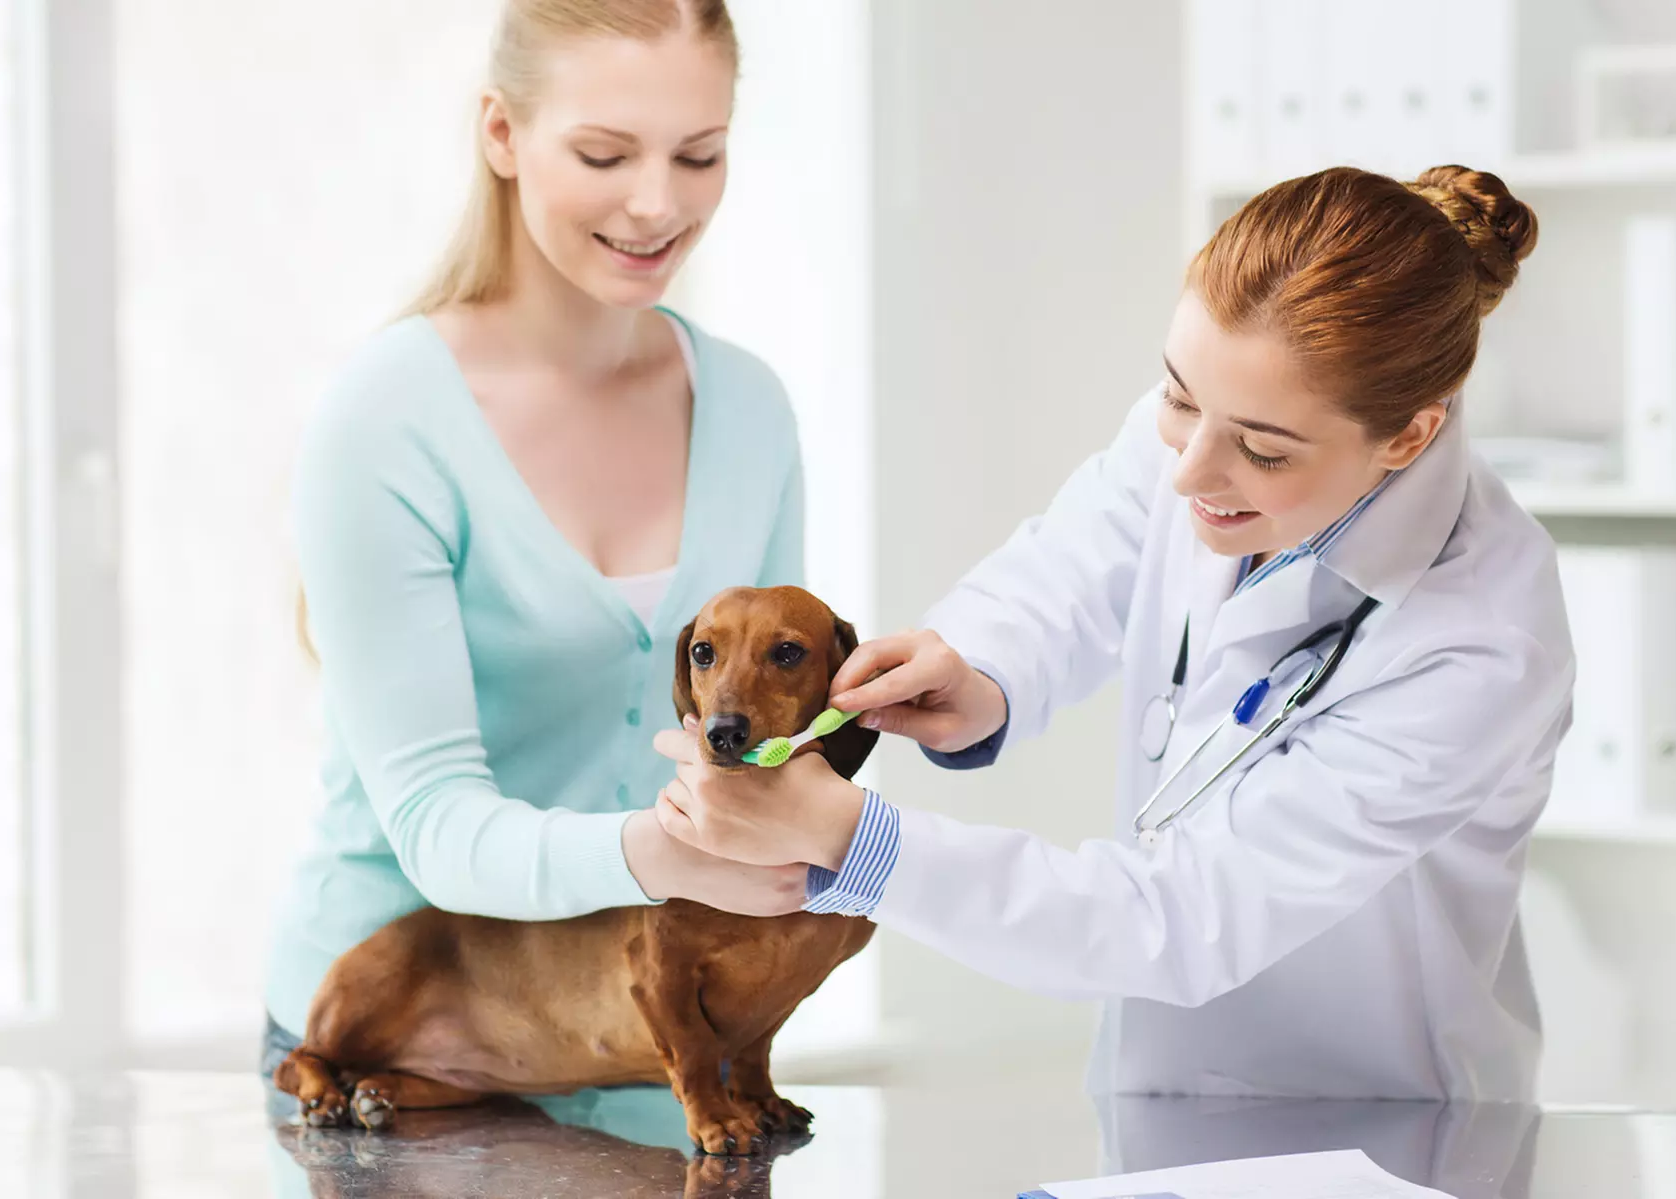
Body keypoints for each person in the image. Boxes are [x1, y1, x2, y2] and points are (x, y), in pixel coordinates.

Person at [652, 164, 1572, 1102]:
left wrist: (850, 838)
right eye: (1176, 398)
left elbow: (1187, 918)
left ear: (1410, 435)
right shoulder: (1210, 423)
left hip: (1380, 1117)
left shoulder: (1480, 642)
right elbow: (1068, 566)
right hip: (1158, 1088)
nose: (1187, 472)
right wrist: (976, 668)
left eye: (1262, 450)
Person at [262, 0, 813, 1070]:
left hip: (648, 1041)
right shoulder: (389, 419)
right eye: (605, 154)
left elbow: (767, 738)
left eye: (699, 155)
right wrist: (668, 852)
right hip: (400, 1044)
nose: (658, 203)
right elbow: (435, 826)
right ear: (502, 134)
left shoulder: (751, 409)